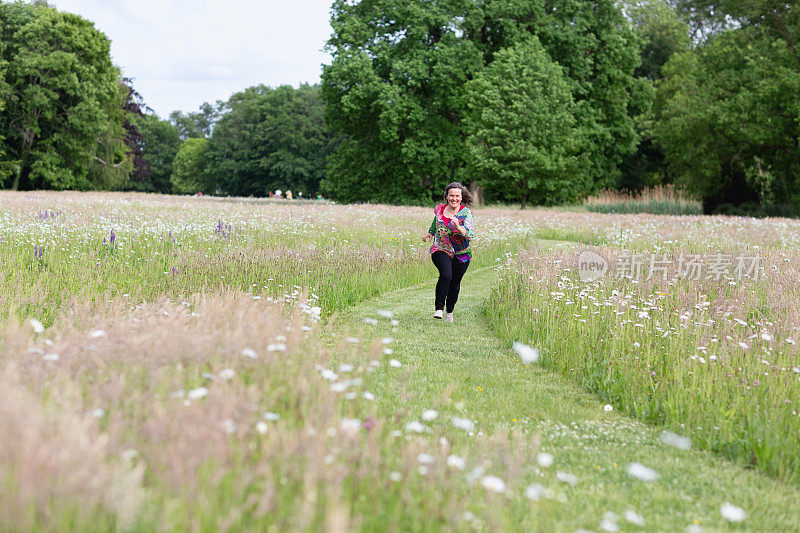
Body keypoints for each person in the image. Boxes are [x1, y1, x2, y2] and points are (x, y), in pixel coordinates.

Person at [422, 182, 475, 322]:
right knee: (446, 275)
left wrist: (458, 226)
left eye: (457, 196)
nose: (454, 198)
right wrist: (430, 233)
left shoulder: (465, 213)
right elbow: (436, 221)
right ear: (446, 196)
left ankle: (449, 311)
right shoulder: (440, 209)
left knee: (455, 283)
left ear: (461, 197)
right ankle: (439, 309)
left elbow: (468, 234)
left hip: (461, 253)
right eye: (451, 195)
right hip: (441, 248)